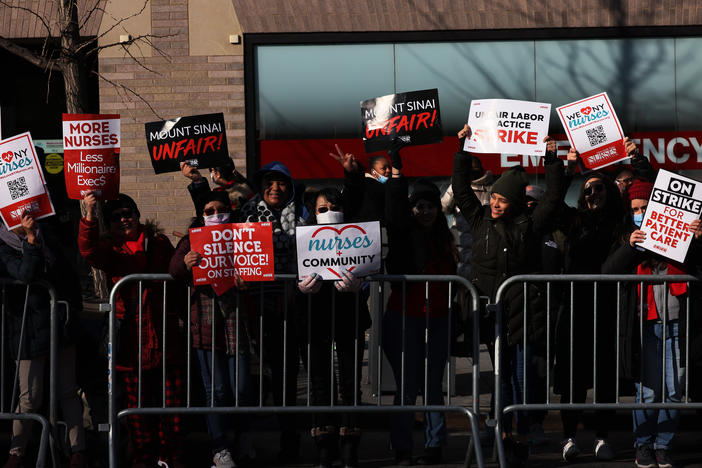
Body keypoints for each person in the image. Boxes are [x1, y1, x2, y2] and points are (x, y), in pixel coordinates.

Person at [452, 129, 564, 467]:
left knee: (521, 376)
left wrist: (552, 160)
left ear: (514, 203)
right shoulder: (478, 218)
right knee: (500, 377)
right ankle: (501, 430)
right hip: (493, 313)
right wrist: (462, 149)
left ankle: (522, 433)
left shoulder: (529, 226)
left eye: (503, 200)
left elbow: (554, 197)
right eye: (495, 199)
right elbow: (460, 189)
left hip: (524, 312)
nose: (496, 204)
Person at [78, 192, 185, 468]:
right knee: (136, 410)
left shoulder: (158, 242)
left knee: (169, 407)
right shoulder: (110, 248)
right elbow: (87, 251)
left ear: (138, 215)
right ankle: (143, 457)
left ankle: (168, 457)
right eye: (116, 217)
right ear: (109, 224)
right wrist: (89, 214)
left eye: (129, 214)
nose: (124, 220)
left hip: (164, 337)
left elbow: (177, 269)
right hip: (130, 341)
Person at [603, 178, 702, 468]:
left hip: (678, 324)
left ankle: (663, 445)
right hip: (646, 326)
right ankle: (643, 444)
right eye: (635, 208)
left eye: (646, 207)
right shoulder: (626, 237)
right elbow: (607, 271)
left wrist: (698, 239)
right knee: (648, 390)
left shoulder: (682, 239)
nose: (641, 213)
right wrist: (630, 246)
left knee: (674, 389)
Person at [382, 147, 457, 465]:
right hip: (404, 319)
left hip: (438, 319)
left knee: (433, 386)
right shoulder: (403, 234)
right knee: (407, 386)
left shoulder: (445, 238)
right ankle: (402, 448)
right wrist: (398, 172)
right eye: (418, 206)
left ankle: (434, 445)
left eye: (429, 206)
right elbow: (396, 211)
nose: (424, 211)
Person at [553, 146, 627, 462]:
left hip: (607, 309)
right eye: (588, 190)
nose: (593, 193)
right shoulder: (574, 221)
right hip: (575, 309)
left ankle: (602, 437)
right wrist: (563, 169)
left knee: (605, 376)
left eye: (599, 188)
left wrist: (636, 160)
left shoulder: (621, 224)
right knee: (573, 377)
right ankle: (569, 436)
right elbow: (552, 205)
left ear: (609, 192)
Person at [169, 190, 253, 468]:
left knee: (240, 388)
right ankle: (219, 448)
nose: (215, 214)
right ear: (201, 215)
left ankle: (242, 437)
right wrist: (185, 262)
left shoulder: (243, 236)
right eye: (209, 210)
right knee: (215, 391)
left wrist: (249, 280)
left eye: (220, 209)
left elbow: (259, 266)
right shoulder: (192, 238)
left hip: (236, 324)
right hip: (205, 326)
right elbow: (174, 269)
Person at [0, 212, 86, 468]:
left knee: (67, 391)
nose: (23, 220)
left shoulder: (48, 236)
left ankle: (78, 450)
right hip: (27, 327)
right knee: (30, 396)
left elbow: (66, 270)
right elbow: (27, 274)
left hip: (59, 321)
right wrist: (30, 241)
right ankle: (16, 452)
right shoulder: (4, 246)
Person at [296, 187, 371, 468]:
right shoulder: (302, 239)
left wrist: (359, 283)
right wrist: (300, 287)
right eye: (321, 208)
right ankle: (324, 445)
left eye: (332, 207)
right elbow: (293, 273)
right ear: (313, 213)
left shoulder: (355, 236)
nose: (328, 212)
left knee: (349, 383)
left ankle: (350, 444)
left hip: (348, 318)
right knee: (319, 383)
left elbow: (371, 263)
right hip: (315, 319)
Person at [239, 161, 307, 462]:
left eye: (281, 183)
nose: (275, 189)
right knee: (252, 380)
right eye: (269, 182)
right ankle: (244, 443)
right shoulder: (247, 214)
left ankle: (289, 443)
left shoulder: (303, 215)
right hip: (256, 308)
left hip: (293, 308)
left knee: (286, 379)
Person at [441, 124, 496, 279]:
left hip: (481, 238)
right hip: (461, 238)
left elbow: (444, 207)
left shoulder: (493, 188)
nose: (473, 172)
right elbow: (444, 208)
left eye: (475, 169)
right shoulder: (457, 188)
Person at [328, 144, 391, 223]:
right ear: (373, 172)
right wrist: (352, 173)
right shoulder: (365, 185)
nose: (388, 170)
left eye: (389, 167)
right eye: (384, 168)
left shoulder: (388, 188)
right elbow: (353, 188)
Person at [181, 157, 253, 218]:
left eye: (211, 171)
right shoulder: (248, 188)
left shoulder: (223, 195)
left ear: (217, 174)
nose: (211, 174)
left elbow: (203, 212)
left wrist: (198, 180)